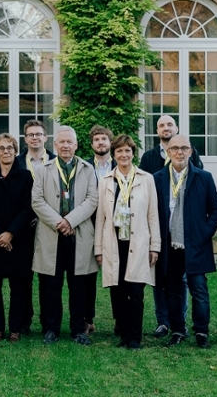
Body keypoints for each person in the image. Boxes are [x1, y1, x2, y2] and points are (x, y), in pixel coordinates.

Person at [31, 125, 99, 346]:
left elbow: (92, 200)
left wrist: (71, 221)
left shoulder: (88, 170)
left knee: (79, 285)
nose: (66, 145)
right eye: (62, 142)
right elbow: (37, 201)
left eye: (70, 142)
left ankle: (78, 329)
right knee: (51, 285)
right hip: (52, 234)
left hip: (79, 234)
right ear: (55, 145)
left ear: (76, 145)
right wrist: (59, 222)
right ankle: (51, 329)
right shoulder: (43, 169)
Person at [154, 134, 217, 349]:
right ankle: (177, 330)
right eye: (175, 148)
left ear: (191, 151)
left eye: (184, 148)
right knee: (172, 289)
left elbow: (215, 209)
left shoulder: (203, 177)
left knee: (199, 289)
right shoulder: (157, 178)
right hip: (169, 244)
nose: (179, 152)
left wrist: (204, 233)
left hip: (195, 243)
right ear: (168, 152)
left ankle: (201, 331)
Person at [93, 134, 160, 350]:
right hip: (114, 242)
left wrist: (155, 246)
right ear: (114, 154)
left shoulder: (146, 179)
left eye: (127, 150)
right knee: (118, 292)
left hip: (138, 242)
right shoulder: (105, 182)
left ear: (133, 153)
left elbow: (153, 215)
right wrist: (99, 249)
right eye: (119, 151)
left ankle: (135, 337)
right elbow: (101, 218)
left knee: (136, 292)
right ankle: (123, 334)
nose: (124, 154)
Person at [139, 115, 198, 339]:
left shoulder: (191, 155)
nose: (166, 128)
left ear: (176, 128)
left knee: (180, 279)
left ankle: (178, 318)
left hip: (183, 231)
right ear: (157, 131)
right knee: (159, 278)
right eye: (162, 125)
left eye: (169, 125)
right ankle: (162, 321)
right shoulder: (149, 157)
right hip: (160, 229)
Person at [0, 133, 35, 343]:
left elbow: (28, 209)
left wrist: (11, 233)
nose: (6, 152)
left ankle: (15, 329)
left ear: (15, 151)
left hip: (19, 239)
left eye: (10, 148)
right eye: (2, 148)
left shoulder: (26, 176)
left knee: (18, 286)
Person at [16, 119, 54, 334]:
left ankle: (47, 321)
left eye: (38, 134)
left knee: (47, 276)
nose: (35, 138)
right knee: (23, 276)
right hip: (24, 226)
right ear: (25, 138)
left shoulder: (56, 161)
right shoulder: (17, 162)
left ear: (45, 137)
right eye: (31, 134)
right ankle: (24, 320)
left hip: (48, 225)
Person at [85, 124, 116, 335]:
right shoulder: (84, 167)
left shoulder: (121, 165)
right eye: (97, 140)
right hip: (89, 224)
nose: (101, 142)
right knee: (87, 277)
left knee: (116, 274)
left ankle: (120, 319)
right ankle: (88, 320)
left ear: (110, 142)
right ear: (92, 144)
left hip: (114, 225)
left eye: (104, 139)